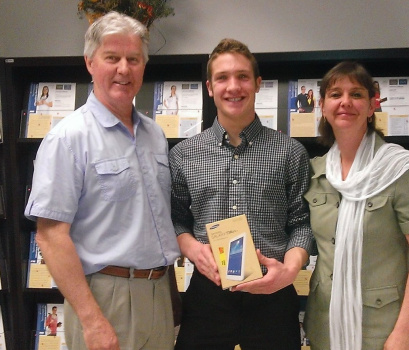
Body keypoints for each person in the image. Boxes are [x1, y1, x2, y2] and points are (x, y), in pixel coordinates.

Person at [24, 11, 180, 350]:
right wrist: (91, 319)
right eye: (112, 58)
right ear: (90, 62)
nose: (124, 69)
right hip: (106, 298)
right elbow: (51, 236)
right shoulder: (68, 138)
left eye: (133, 59)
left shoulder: (154, 134)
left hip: (159, 291)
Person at [170, 38, 314, 350]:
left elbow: (302, 223)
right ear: (210, 87)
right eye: (222, 78)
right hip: (207, 294)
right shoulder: (184, 154)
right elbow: (176, 220)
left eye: (243, 76)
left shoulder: (290, 152)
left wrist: (288, 272)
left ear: (258, 83)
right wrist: (195, 252)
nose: (233, 86)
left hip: (274, 294)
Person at [303, 61, 409, 350]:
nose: (345, 102)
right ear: (324, 106)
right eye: (336, 94)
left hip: (384, 331)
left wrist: (403, 334)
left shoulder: (402, 170)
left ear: (371, 105)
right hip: (325, 328)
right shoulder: (316, 173)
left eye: (356, 94)